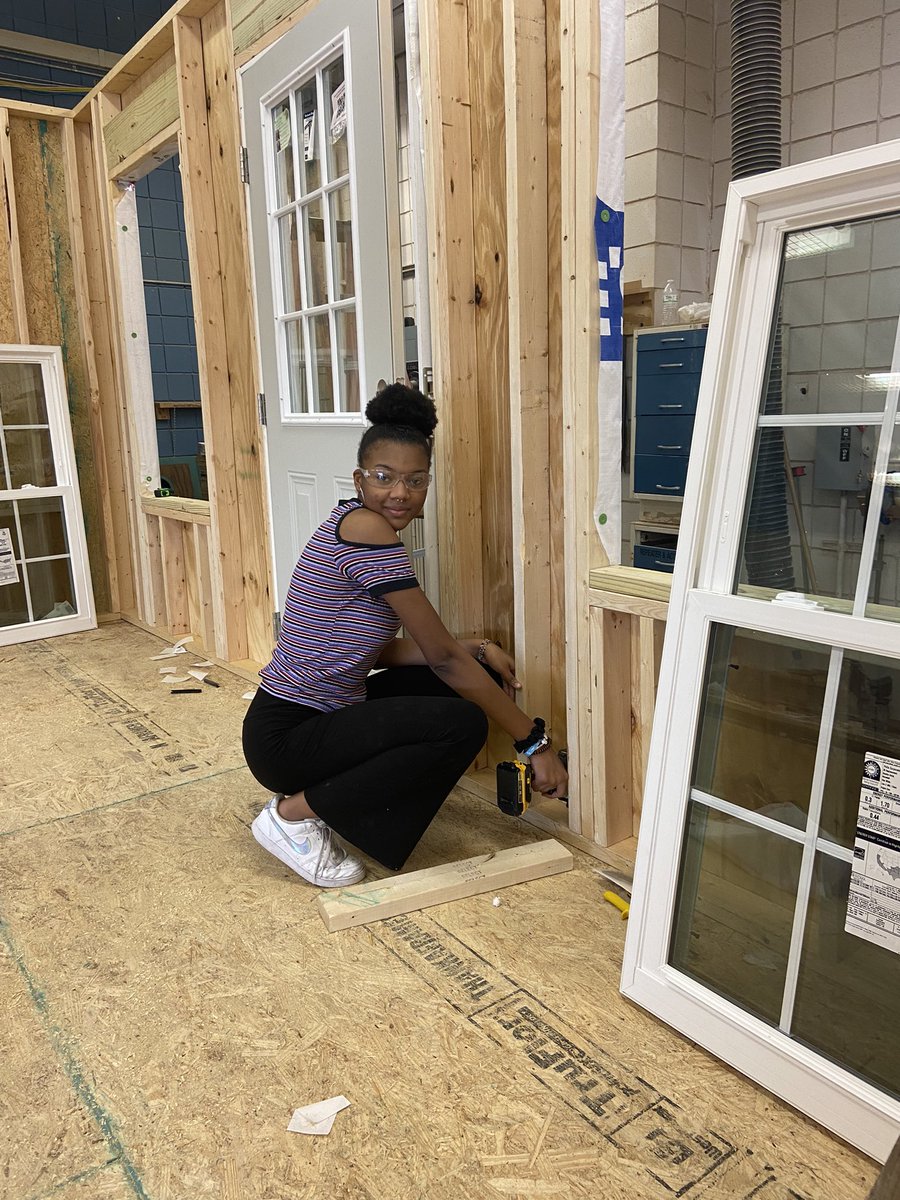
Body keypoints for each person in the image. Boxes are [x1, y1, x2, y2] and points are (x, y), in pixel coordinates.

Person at [242, 384, 569, 887]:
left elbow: (377, 652)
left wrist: (475, 648)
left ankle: (337, 801)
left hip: (321, 718)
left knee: (473, 677)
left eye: (415, 480)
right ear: (359, 479)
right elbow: (442, 660)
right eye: (384, 477)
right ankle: (292, 816)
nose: (400, 492)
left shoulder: (354, 524)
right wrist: (534, 743)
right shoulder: (367, 531)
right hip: (286, 737)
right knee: (460, 722)